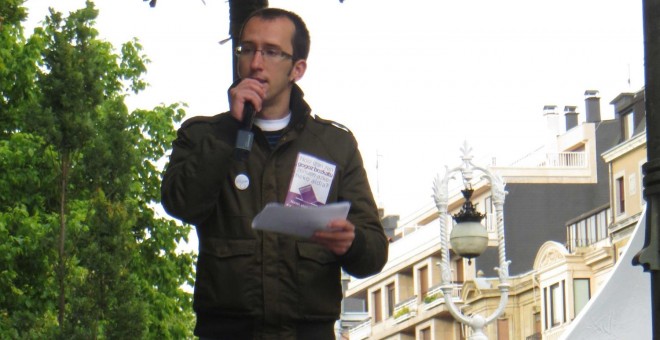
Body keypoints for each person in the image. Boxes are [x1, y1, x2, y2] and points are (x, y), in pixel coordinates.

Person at [160, 7, 388, 340]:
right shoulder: (202, 135)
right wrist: (229, 132)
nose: (255, 62)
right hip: (227, 331)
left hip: (307, 331)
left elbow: (374, 254)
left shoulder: (333, 145)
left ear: (297, 68)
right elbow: (181, 204)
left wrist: (350, 241)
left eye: (271, 51)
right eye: (247, 49)